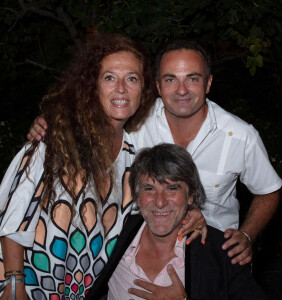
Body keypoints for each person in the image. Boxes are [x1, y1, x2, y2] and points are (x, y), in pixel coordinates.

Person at [27, 38, 282, 265]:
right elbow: (94, 116)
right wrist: (51, 122)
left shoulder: (240, 136)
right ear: (158, 86)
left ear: (208, 83)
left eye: (192, 78)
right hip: (137, 252)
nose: (181, 90)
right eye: (171, 79)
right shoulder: (136, 119)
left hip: (211, 256)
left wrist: (247, 235)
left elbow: (268, 191)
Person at [0, 35, 205, 300]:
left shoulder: (133, 158)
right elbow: (11, 216)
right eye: (109, 78)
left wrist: (193, 212)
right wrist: (14, 285)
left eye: (131, 78)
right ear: (93, 87)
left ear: (143, 91)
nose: (121, 88)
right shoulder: (55, 140)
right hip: (27, 288)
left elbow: (157, 202)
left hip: (81, 292)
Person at [86, 143, 265, 300]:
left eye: (172, 188)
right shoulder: (112, 237)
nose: (160, 201)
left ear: (190, 195)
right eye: (149, 188)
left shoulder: (223, 254)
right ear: (136, 196)